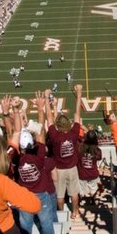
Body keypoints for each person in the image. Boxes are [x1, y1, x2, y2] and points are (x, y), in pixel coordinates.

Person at [46, 84, 84, 218]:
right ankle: (75, 211)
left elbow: (49, 118)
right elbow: (77, 113)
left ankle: (61, 215)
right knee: (74, 193)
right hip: (72, 168)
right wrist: (79, 94)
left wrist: (46, 98)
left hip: (59, 169)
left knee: (60, 195)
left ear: (57, 125)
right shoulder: (74, 133)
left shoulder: (54, 135)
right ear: (68, 123)